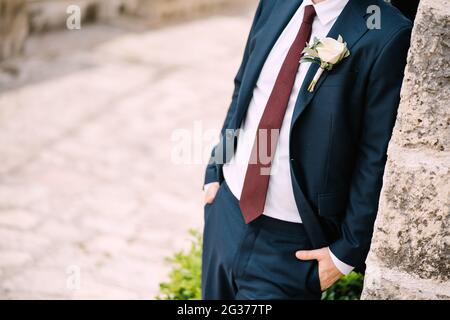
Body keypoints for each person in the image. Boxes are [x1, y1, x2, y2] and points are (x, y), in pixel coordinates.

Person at [202, 0, 412, 300]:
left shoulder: (387, 32)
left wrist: (346, 253)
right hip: (226, 216)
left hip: (293, 249)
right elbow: (244, 88)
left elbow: (375, 155)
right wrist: (215, 170)